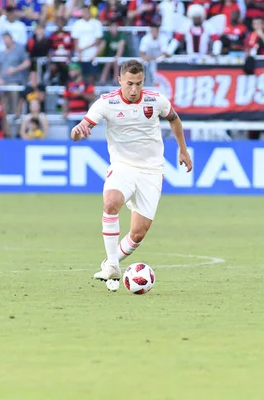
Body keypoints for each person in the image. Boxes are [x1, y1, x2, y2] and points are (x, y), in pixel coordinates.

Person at [70, 60, 193, 287]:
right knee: (111, 203)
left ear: (143, 81)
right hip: (122, 166)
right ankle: (113, 268)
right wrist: (78, 132)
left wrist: (182, 150)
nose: (134, 90)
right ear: (119, 81)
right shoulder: (107, 103)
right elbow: (79, 131)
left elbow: (174, 118)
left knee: (138, 233)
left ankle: (110, 261)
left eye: (138, 84)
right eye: (129, 84)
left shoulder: (155, 100)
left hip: (151, 171)